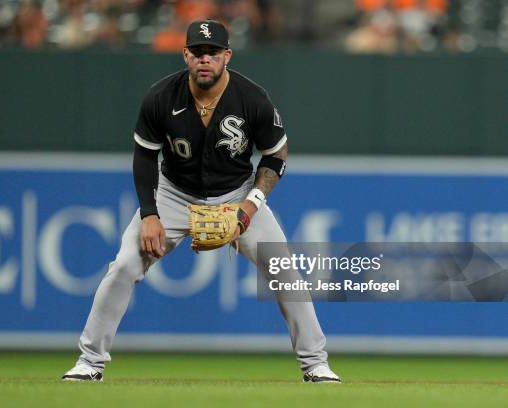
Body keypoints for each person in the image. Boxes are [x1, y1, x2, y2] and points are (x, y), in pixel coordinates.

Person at [62, 19, 341, 384]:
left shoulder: (252, 98)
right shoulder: (161, 97)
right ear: (186, 55)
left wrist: (250, 205)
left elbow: (276, 155)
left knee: (284, 270)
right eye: (197, 52)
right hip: (173, 194)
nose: (204, 59)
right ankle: (89, 362)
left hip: (237, 194)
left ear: (227, 56)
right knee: (124, 266)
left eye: (212, 52)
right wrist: (149, 214)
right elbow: (144, 157)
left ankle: (316, 364)